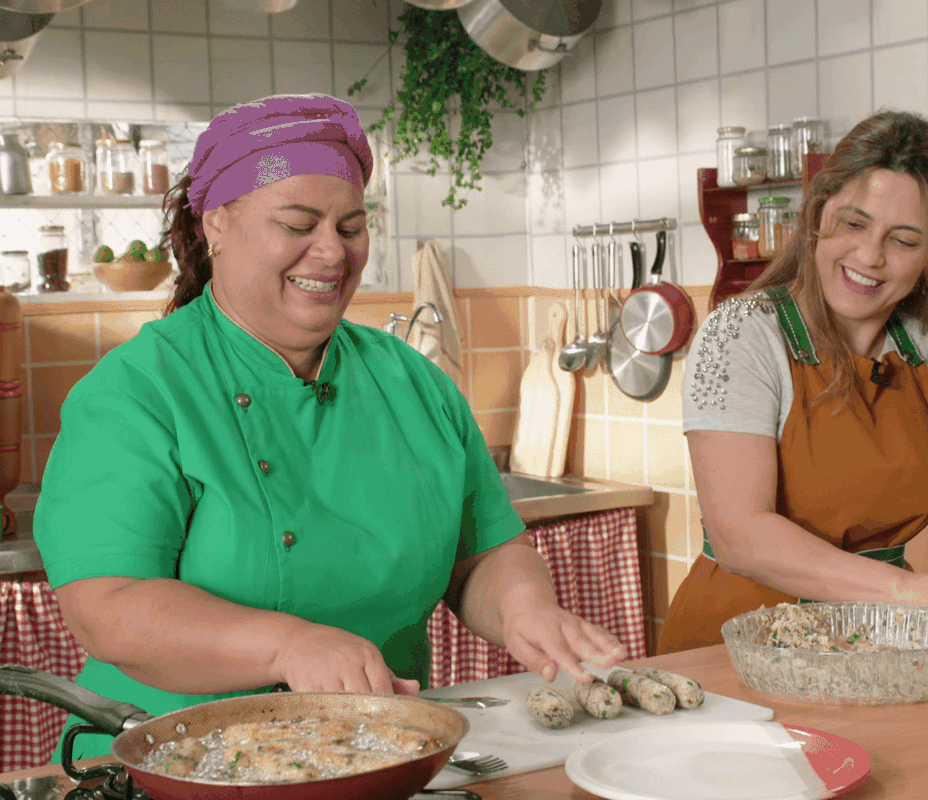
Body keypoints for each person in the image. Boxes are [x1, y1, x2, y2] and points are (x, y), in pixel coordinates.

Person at [33, 95, 624, 755]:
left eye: (350, 227)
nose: (332, 253)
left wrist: (523, 608)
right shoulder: (138, 392)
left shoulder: (414, 383)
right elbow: (107, 608)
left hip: (376, 754)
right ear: (215, 225)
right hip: (175, 764)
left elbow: (483, 553)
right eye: (298, 223)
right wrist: (289, 645)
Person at [658, 110, 928, 654]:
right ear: (818, 214)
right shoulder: (740, 335)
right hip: (738, 648)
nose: (870, 257)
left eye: (904, 240)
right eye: (853, 223)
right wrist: (907, 590)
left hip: (878, 640)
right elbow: (740, 536)